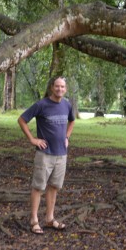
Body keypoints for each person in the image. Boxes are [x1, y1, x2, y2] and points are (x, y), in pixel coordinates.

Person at [17, 76, 76, 234]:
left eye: (62, 87)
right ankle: (34, 220)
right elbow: (22, 120)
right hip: (45, 154)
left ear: (66, 89)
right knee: (38, 187)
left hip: (61, 154)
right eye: (57, 86)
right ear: (52, 88)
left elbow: (72, 121)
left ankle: (50, 219)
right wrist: (32, 139)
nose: (60, 89)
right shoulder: (41, 105)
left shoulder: (66, 105)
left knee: (54, 187)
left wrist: (67, 137)